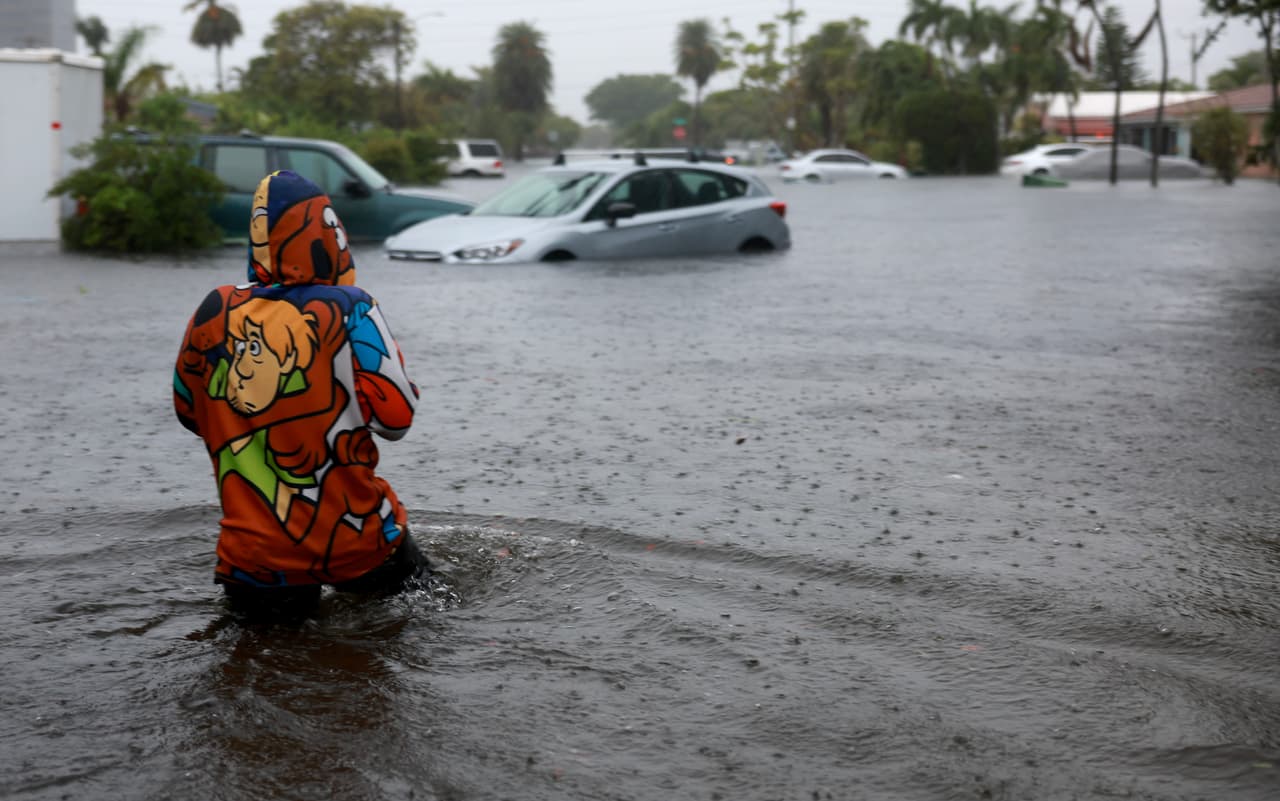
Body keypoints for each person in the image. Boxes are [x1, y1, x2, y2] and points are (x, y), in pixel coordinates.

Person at [173, 170, 425, 623]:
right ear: (329, 235)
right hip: (357, 534)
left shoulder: (215, 307)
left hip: (253, 554)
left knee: (257, 673)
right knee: (410, 636)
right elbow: (397, 421)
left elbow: (189, 414)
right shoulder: (351, 307)